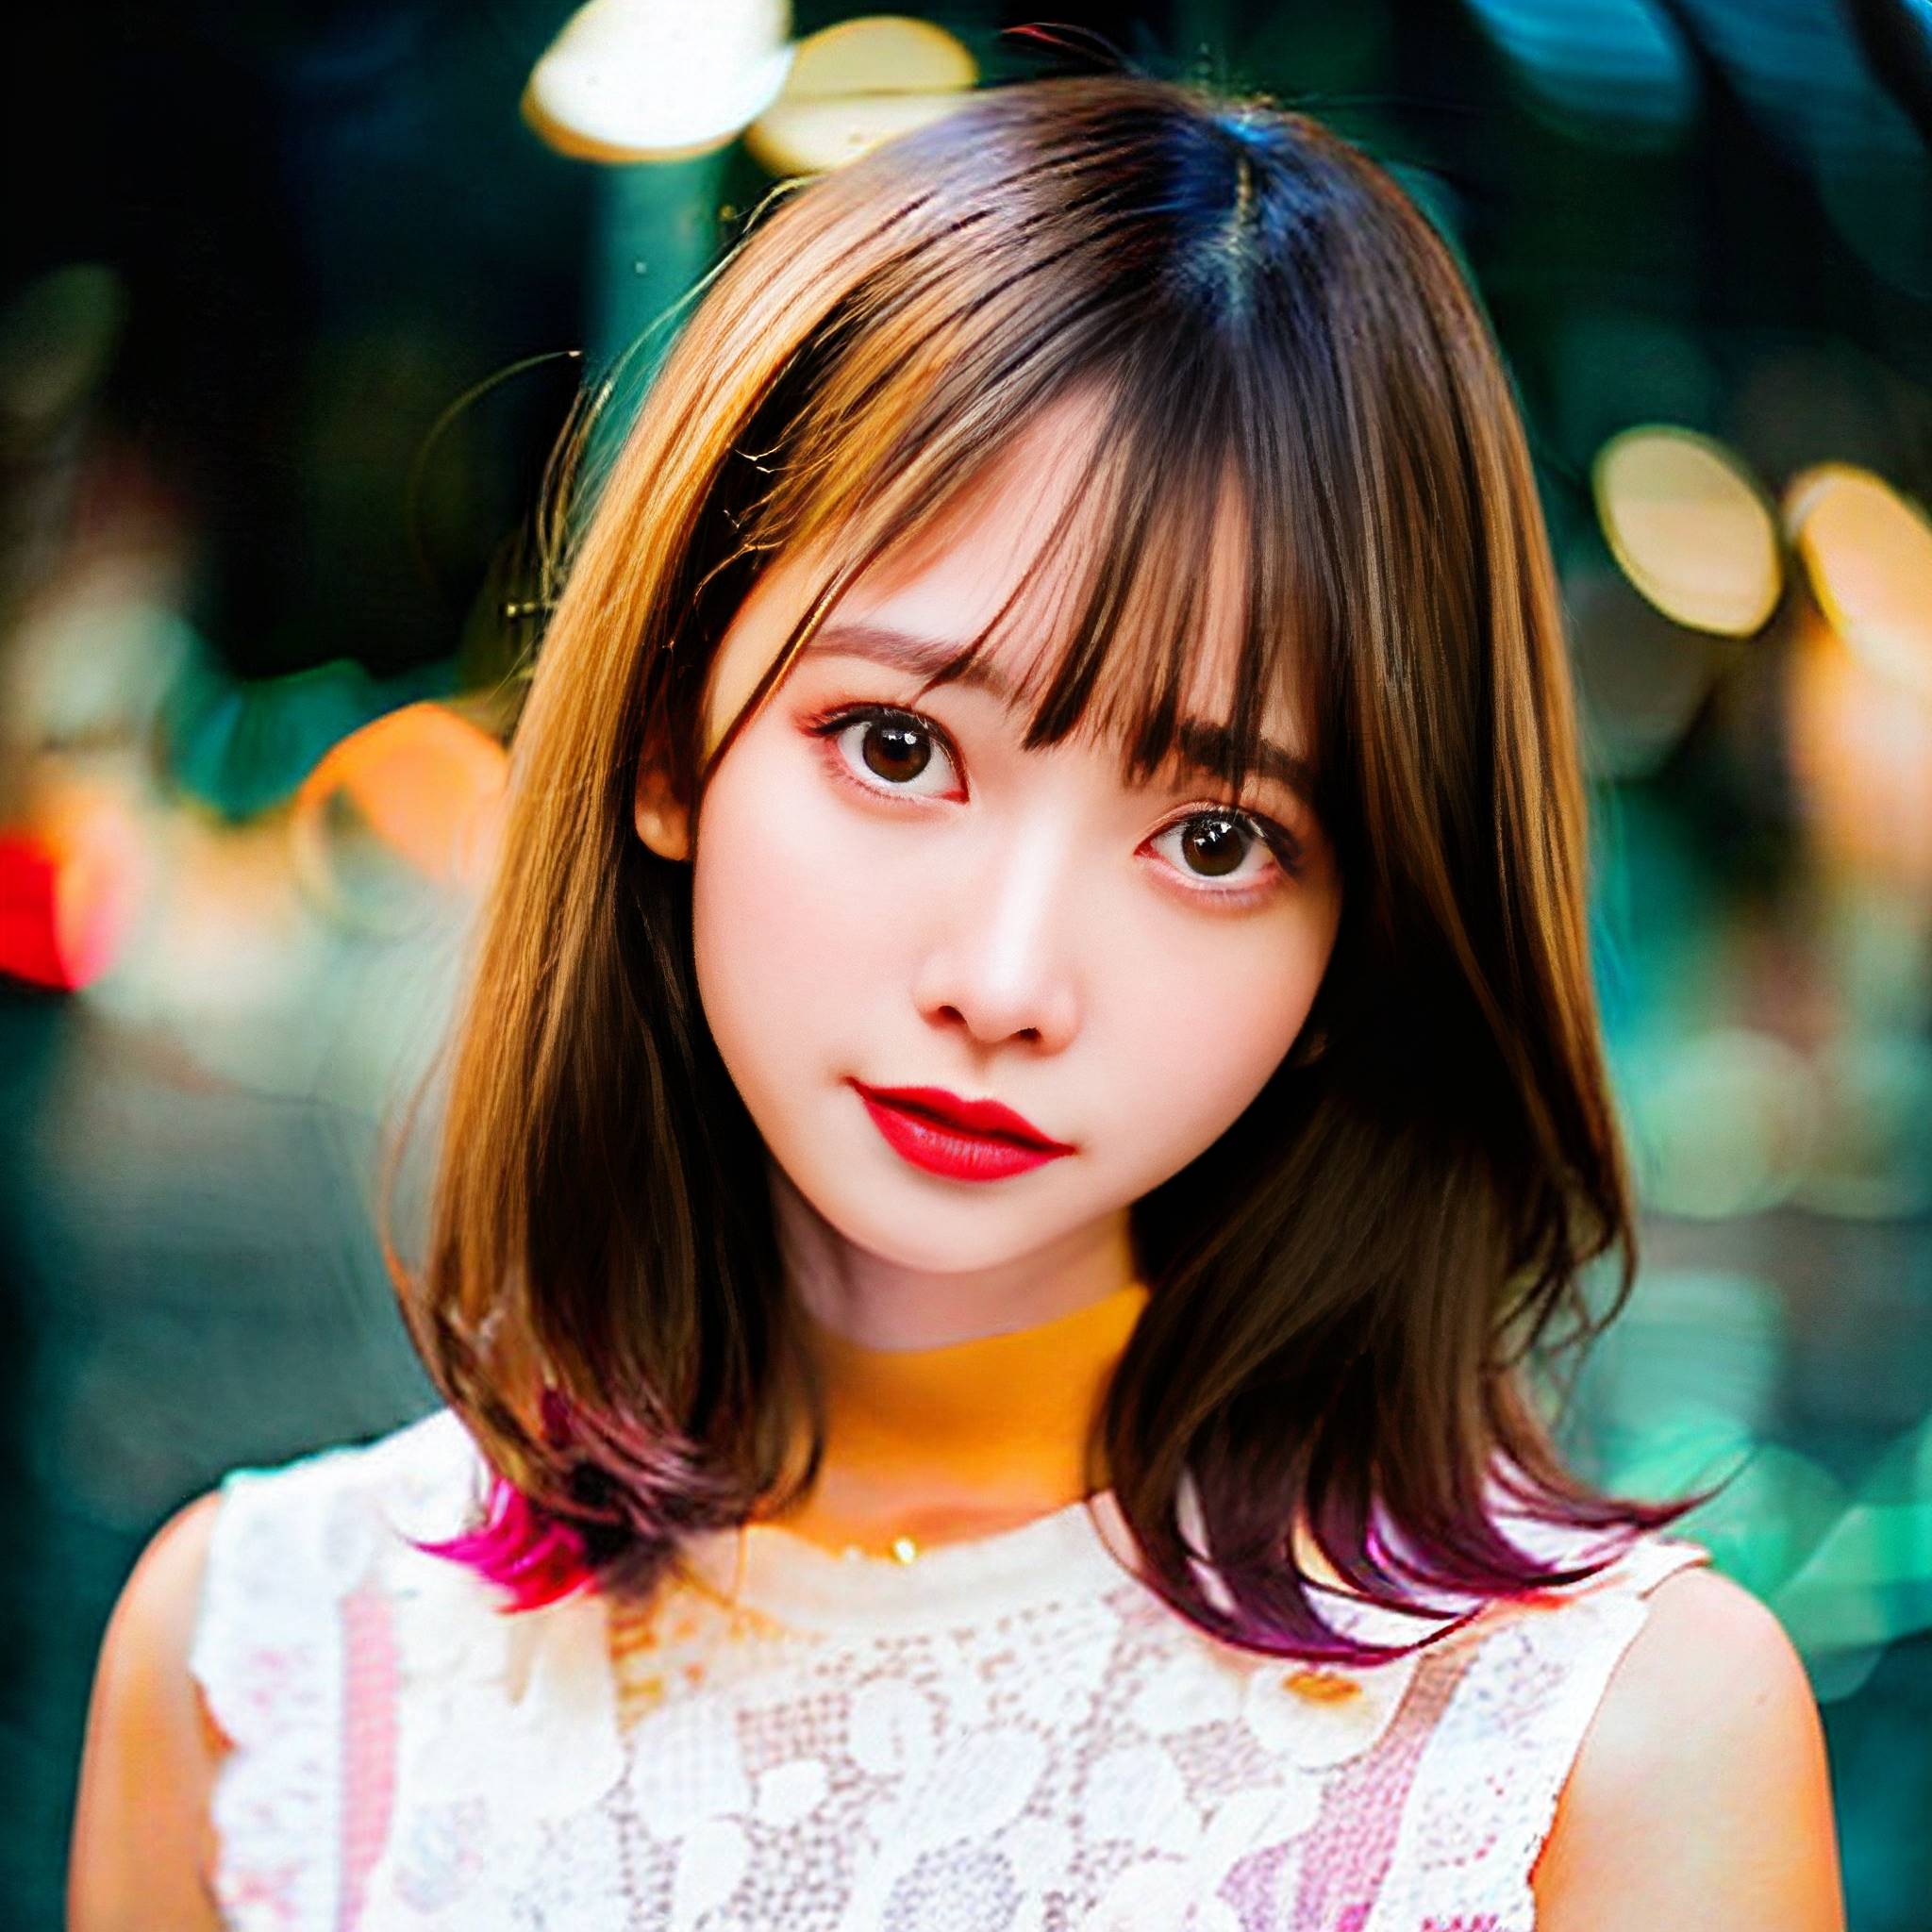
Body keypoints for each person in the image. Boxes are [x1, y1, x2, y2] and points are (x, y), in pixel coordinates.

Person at [69, 73, 1844, 1932]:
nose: (1005, 981)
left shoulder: (1589, 1757)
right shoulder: (269, 1673)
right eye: (898, 744)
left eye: (1218, 836)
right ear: (672, 732)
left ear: (1368, 927)